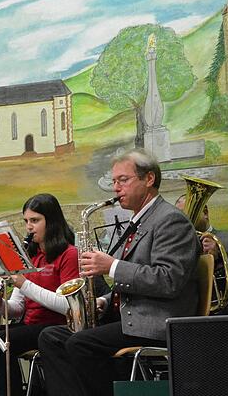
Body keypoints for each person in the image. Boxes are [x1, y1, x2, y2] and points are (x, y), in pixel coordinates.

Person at [38, 149, 200, 396]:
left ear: (149, 179)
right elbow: (137, 276)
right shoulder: (140, 220)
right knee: (51, 337)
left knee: (81, 344)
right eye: (113, 182)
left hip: (156, 323)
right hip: (129, 318)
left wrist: (111, 266)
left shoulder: (170, 220)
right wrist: (106, 299)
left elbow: (168, 280)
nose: (115, 188)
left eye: (123, 180)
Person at [0, 193, 78, 396]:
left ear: (52, 221)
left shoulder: (69, 254)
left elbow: (67, 305)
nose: (29, 227)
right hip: (31, 323)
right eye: (26, 221)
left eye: (35, 220)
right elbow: (17, 309)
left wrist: (24, 283)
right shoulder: (32, 256)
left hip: (57, 325)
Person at [174, 195, 228, 314]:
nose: (184, 220)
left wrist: (219, 258)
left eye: (186, 213)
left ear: (205, 212)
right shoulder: (177, 247)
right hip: (189, 316)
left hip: (226, 316)